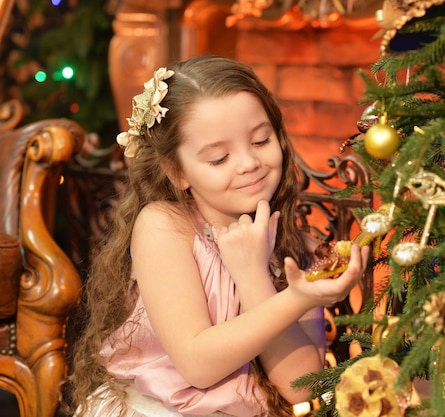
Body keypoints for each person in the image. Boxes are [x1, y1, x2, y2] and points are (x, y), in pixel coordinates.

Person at [67, 55, 370, 417]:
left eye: (260, 141)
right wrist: (293, 298)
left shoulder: (294, 245)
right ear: (177, 172)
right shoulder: (166, 227)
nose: (248, 163)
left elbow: (300, 384)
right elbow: (198, 364)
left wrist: (255, 276)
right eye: (218, 158)